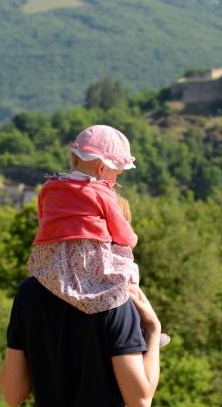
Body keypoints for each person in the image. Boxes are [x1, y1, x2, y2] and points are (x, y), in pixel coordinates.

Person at [26, 124, 167, 346]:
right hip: (90, 260)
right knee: (129, 277)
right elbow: (122, 233)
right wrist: (133, 239)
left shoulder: (50, 187)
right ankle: (142, 329)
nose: (115, 181)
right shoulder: (101, 192)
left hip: (51, 260)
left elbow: (43, 218)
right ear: (102, 168)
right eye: (116, 174)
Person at [0, 281, 161, 407]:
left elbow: (12, 395)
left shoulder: (29, 293)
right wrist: (153, 329)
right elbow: (140, 403)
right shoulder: (115, 296)